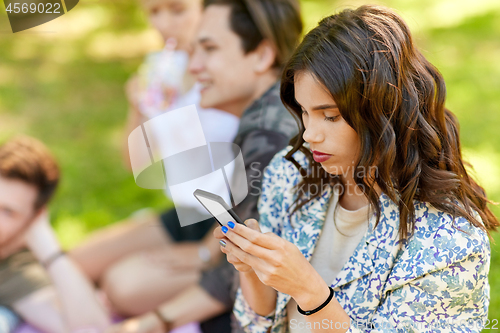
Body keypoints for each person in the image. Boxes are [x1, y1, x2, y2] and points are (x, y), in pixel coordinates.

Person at [214, 5, 499, 333]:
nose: (309, 134)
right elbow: (257, 323)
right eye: (305, 112)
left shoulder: (447, 243)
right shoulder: (290, 175)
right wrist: (251, 268)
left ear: (385, 111)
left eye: (330, 116)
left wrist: (310, 290)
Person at [106, 0, 302, 332]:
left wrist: (153, 322)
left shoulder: (272, 134)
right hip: (203, 225)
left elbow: (249, 267)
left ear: (262, 55)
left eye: (208, 49)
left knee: (122, 284)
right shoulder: (260, 117)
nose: (194, 67)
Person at [70, 0, 240, 317]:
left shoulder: (234, 71)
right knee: (72, 264)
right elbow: (137, 165)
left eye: (177, 11)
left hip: (233, 218)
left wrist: (205, 250)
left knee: (120, 286)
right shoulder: (164, 69)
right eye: (153, 12)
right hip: (189, 210)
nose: (163, 24)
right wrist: (138, 108)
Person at [0, 136, 111, 333]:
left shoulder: (15, 271)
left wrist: (49, 248)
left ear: (34, 218)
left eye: (8, 212)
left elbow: (91, 327)